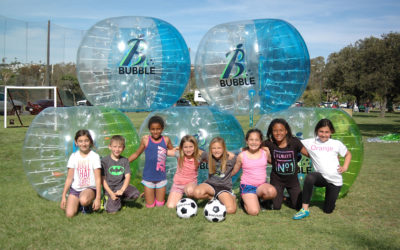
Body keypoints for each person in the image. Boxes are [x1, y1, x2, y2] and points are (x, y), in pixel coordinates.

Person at [293, 119, 352, 220]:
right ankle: (304, 209)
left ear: (331, 132)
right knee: (310, 177)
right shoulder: (311, 142)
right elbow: (295, 142)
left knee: (328, 210)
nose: (324, 134)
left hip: (335, 180)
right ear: (316, 131)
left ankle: (329, 201)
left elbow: (348, 154)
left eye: (327, 132)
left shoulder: (336, 143)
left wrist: (345, 167)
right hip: (321, 178)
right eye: (321, 131)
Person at [263, 118, 309, 210]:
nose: (278, 133)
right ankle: (277, 198)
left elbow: (309, 154)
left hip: (292, 181)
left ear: (286, 131)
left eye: (281, 130)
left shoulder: (294, 142)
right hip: (277, 180)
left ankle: (286, 198)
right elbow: (254, 147)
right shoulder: (269, 143)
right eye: (275, 131)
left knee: (298, 206)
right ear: (271, 132)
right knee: (276, 206)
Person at [128, 116, 173, 208]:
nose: (155, 131)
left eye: (158, 129)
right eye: (153, 129)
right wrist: (124, 162)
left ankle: (151, 193)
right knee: (150, 205)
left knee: (160, 205)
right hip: (148, 178)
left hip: (161, 178)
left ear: (162, 129)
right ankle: (148, 193)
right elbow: (136, 154)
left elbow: (173, 152)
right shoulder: (145, 140)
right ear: (149, 129)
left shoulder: (166, 140)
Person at [232, 128, 277, 216]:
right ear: (247, 141)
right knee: (254, 211)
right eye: (251, 140)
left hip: (261, 186)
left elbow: (272, 162)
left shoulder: (265, 153)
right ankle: (243, 201)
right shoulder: (242, 156)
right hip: (247, 186)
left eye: (257, 140)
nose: (254, 142)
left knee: (272, 191)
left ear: (260, 142)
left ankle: (260, 200)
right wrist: (223, 176)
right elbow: (235, 170)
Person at [60, 130, 102, 217]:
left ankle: (87, 204)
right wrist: (63, 196)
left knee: (84, 200)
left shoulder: (95, 156)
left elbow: (98, 179)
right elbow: (69, 178)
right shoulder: (73, 157)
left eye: (86, 141)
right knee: (69, 214)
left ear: (90, 141)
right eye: (80, 141)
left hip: (89, 189)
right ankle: (79, 205)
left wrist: (98, 198)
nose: (84, 144)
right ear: (76, 142)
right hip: (76, 190)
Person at [193, 137, 238, 214]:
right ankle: (214, 198)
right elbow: (196, 151)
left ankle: (231, 197)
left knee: (231, 210)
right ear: (210, 149)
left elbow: (242, 161)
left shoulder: (231, 158)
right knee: (196, 193)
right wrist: (180, 148)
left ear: (224, 148)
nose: (216, 150)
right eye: (214, 148)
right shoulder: (208, 156)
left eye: (219, 148)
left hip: (224, 187)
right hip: (210, 185)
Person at [101, 135, 140, 213]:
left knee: (135, 194)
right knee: (112, 211)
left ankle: (121, 199)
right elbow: (103, 180)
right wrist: (111, 193)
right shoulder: (104, 161)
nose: (117, 149)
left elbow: (127, 176)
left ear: (123, 148)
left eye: (119, 147)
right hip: (110, 189)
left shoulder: (124, 161)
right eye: (114, 146)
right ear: (110, 147)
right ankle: (107, 200)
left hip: (121, 187)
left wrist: (122, 189)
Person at [166, 135, 204, 208]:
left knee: (189, 190)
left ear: (195, 147)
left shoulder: (198, 157)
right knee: (170, 206)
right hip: (177, 185)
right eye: (185, 147)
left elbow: (210, 156)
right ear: (182, 148)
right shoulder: (179, 154)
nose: (188, 149)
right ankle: (181, 198)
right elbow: (165, 151)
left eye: (191, 147)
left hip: (190, 184)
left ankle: (190, 199)